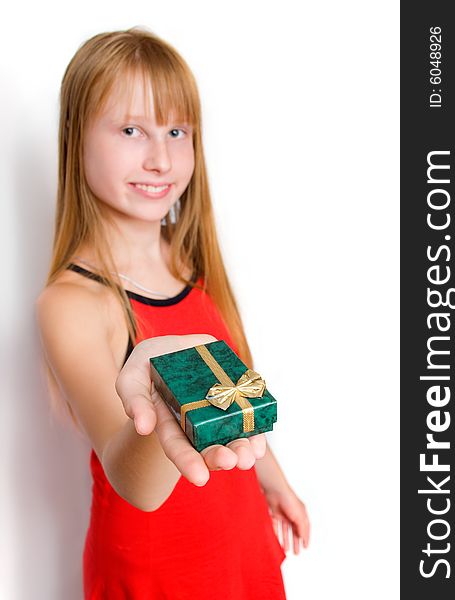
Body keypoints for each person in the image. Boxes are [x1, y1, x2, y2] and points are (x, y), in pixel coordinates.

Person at [36, 26, 310, 599]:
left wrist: (273, 482)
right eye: (131, 129)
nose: (160, 158)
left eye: (177, 131)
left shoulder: (194, 269)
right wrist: (158, 412)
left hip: (240, 552)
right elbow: (128, 473)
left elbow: (231, 400)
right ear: (74, 137)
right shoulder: (73, 303)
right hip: (158, 574)